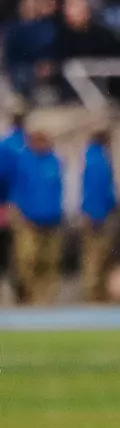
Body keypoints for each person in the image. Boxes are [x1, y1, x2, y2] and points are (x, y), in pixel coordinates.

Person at [10, 128, 64, 303]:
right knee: (28, 259)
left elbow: (59, 190)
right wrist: (22, 214)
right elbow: (18, 191)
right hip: (28, 220)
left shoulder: (54, 161)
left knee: (50, 260)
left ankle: (47, 298)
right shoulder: (24, 162)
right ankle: (27, 295)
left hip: (51, 219)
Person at [79, 130, 118, 302]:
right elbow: (97, 190)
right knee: (95, 255)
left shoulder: (95, 158)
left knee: (100, 255)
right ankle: (94, 294)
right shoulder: (96, 160)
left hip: (99, 213)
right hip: (97, 215)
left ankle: (99, 292)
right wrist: (96, 213)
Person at [0, 114, 24, 300]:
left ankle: (17, 293)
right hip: (11, 207)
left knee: (16, 255)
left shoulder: (17, 143)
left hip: (13, 208)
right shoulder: (11, 145)